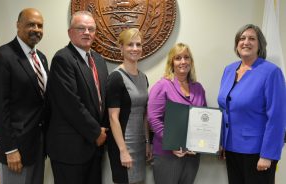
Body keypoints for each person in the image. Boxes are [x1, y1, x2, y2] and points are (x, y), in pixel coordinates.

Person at [218, 24, 286, 184]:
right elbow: (225, 109)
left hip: (258, 153)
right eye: (242, 38)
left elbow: (277, 117)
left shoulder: (271, 72)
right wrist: (220, 141)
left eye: (251, 38)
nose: (246, 42)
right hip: (231, 149)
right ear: (237, 44)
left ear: (260, 45)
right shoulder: (229, 70)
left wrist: (268, 154)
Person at [45, 11, 108, 184]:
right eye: (81, 28)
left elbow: (102, 102)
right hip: (70, 150)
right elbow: (70, 104)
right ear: (70, 32)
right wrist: (96, 132)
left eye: (91, 29)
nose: (87, 32)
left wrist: (102, 132)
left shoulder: (99, 60)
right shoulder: (62, 59)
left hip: (95, 148)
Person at [0, 8, 48, 184]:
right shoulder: (2, 56)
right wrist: (9, 149)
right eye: (30, 24)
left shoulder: (41, 58)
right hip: (16, 150)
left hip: (38, 145)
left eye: (39, 25)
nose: (36, 29)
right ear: (18, 25)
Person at [147, 43, 206, 184]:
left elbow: (203, 120)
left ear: (191, 61)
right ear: (171, 62)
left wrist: (200, 144)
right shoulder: (162, 86)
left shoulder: (198, 88)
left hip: (192, 156)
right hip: (167, 155)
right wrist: (172, 143)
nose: (183, 61)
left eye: (186, 57)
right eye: (178, 58)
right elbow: (153, 119)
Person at [106, 28, 152, 184]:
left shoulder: (143, 77)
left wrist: (147, 142)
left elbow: (145, 114)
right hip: (123, 145)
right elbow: (113, 117)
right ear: (121, 47)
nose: (135, 49)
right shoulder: (116, 77)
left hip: (140, 145)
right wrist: (123, 151)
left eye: (138, 45)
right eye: (130, 44)